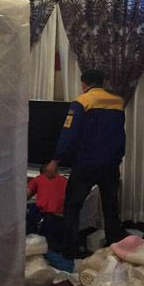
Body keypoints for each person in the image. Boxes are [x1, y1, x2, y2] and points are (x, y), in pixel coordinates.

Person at [46, 69, 127, 258]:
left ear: (84, 83)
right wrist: (118, 157)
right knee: (110, 208)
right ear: (102, 82)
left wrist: (56, 160)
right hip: (110, 165)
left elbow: (68, 133)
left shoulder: (82, 102)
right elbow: (120, 135)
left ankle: (70, 250)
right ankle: (115, 249)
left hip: (86, 164)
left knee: (72, 207)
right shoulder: (117, 102)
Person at [26, 163, 67, 251]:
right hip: (64, 219)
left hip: (46, 220)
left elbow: (24, 196)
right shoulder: (65, 180)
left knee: (29, 210)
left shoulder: (38, 179)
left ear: (41, 173)